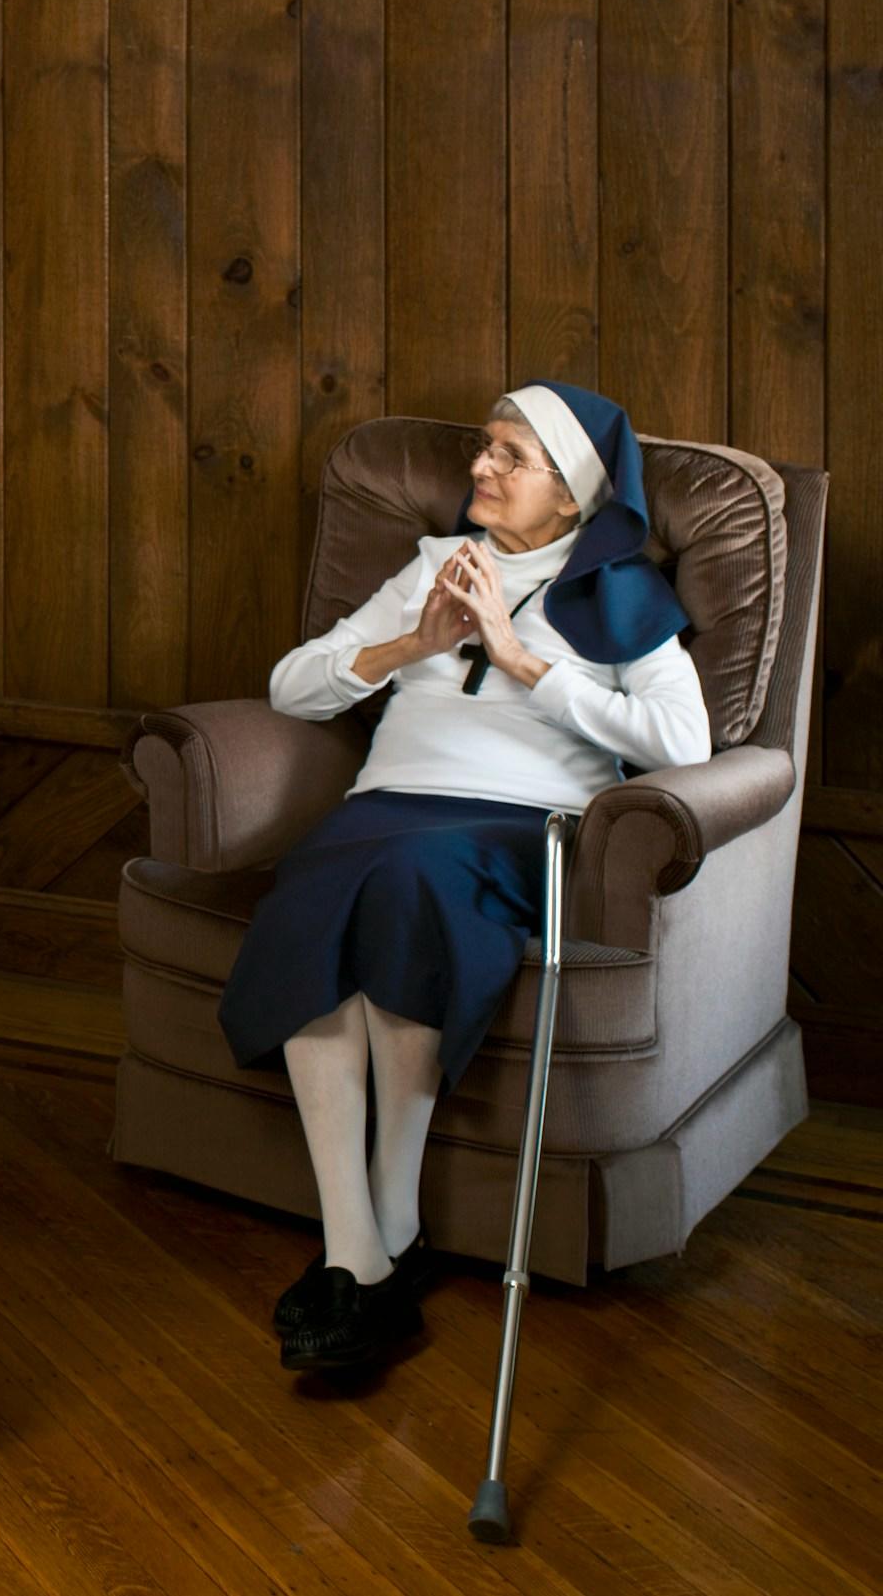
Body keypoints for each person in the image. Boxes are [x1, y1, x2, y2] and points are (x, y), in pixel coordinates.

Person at [221, 381, 712, 1372]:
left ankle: (384, 1230)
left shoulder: (625, 594)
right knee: (326, 887)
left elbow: (685, 745)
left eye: (509, 457)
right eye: (483, 450)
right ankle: (363, 1245)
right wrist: (418, 641)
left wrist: (526, 662)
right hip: (388, 808)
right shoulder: (437, 565)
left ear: (570, 495)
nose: (480, 469)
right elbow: (291, 686)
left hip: (520, 823)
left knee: (405, 883)